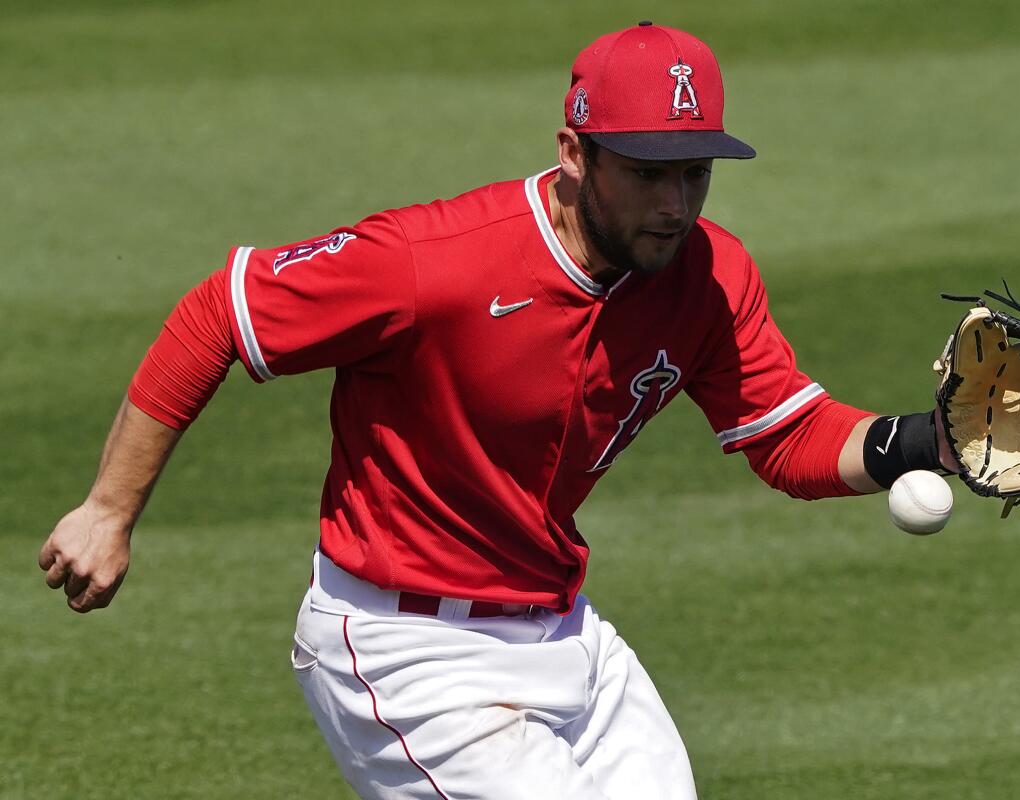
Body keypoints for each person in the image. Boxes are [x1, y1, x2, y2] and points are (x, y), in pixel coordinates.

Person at [38, 22, 956, 800]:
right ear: (573, 153)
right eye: (646, 172)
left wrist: (930, 441)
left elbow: (788, 435)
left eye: (696, 173)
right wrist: (110, 511)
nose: (676, 206)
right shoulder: (432, 262)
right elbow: (221, 312)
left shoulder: (708, 275)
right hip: (405, 651)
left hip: (564, 634)